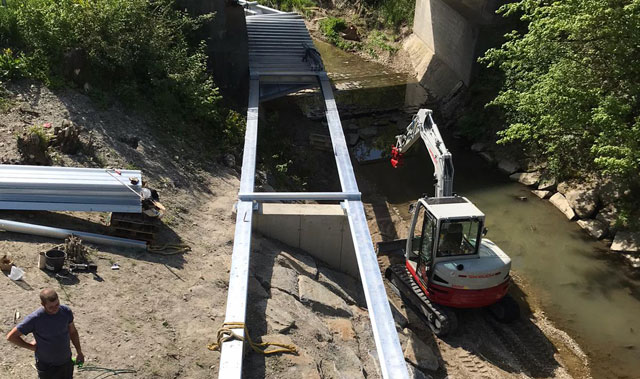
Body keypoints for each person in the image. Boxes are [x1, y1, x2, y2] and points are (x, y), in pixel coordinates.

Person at [6, 288, 84, 379]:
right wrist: (31, 347)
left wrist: (79, 352)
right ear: (43, 304)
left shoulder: (66, 311)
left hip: (65, 361)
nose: (55, 309)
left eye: (57, 304)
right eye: (51, 307)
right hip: (47, 365)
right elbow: (11, 336)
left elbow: (73, 332)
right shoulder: (35, 319)